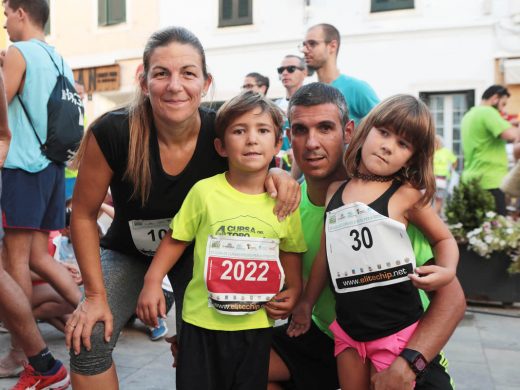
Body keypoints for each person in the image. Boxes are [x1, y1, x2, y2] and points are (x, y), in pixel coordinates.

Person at [66, 26, 299, 390]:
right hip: (131, 253)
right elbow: (81, 214)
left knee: (200, 346)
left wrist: (276, 174)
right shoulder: (114, 132)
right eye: (162, 73)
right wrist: (95, 296)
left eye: (188, 73)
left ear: (206, 83)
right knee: (88, 337)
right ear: (144, 82)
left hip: (200, 253)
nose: (175, 85)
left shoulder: (220, 133)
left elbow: (254, 160)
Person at [268, 83, 466, 390]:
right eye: (300, 130)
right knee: (233, 362)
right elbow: (325, 255)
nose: (312, 143)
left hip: (402, 338)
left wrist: (410, 363)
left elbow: (452, 296)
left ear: (349, 131)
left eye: (325, 128)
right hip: (338, 335)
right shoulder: (292, 201)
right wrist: (275, 173)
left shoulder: (400, 199)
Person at [137, 91, 306, 390]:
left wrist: (295, 289)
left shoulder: (284, 202)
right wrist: (152, 281)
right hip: (201, 322)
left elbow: (290, 249)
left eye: (262, 131)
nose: (251, 139)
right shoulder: (204, 193)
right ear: (221, 146)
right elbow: (176, 239)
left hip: (255, 325)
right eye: (239, 131)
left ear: (278, 143)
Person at [0, 43, 69, 389]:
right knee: (37, 258)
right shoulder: (59, 58)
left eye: (9, 12)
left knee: (13, 263)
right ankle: (94, 317)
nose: (6, 20)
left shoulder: (19, 53)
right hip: (50, 166)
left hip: (22, 167)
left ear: (21, 12)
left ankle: (26, 355)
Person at [299, 23, 379, 126]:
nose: (304, 50)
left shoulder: (356, 88)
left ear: (332, 46)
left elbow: (386, 125)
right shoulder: (310, 92)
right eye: (304, 45)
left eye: (312, 44)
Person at [461, 85, 520, 215]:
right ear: (495, 99)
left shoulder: (469, 115)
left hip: (471, 180)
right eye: (503, 104)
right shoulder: (488, 112)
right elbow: (512, 135)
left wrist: (510, 124)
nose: (502, 109)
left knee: (477, 230)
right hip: (491, 182)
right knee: (496, 230)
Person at [274, 55, 308, 170]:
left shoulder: (313, 104)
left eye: (291, 69)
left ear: (304, 73)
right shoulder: (274, 106)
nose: (284, 73)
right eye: (281, 70)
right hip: (278, 169)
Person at [433, 135, 457, 215]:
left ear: (439, 142)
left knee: (439, 198)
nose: (435, 144)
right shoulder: (430, 152)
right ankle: (437, 216)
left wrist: (451, 171)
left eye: (436, 142)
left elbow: (454, 161)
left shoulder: (446, 151)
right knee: (436, 199)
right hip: (432, 179)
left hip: (442, 178)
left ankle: (435, 216)